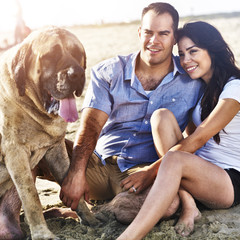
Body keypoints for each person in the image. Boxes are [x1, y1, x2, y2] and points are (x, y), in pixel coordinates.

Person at [59, 2, 204, 215]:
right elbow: (90, 127)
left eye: (163, 34)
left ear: (174, 38)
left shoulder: (193, 81)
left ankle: (98, 212)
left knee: (169, 205)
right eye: (148, 32)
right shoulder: (108, 72)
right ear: (139, 32)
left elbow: (194, 137)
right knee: (35, 147)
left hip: (140, 172)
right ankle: (8, 218)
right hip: (97, 162)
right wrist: (76, 172)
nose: (154, 41)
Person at [117, 21, 240, 240]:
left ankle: (129, 237)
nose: (186, 60)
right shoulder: (204, 90)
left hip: (227, 181)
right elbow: (190, 137)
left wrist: (150, 171)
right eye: (182, 54)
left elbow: (200, 137)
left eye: (193, 51)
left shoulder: (235, 88)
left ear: (213, 49)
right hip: (198, 174)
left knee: (174, 159)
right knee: (161, 116)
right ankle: (188, 203)